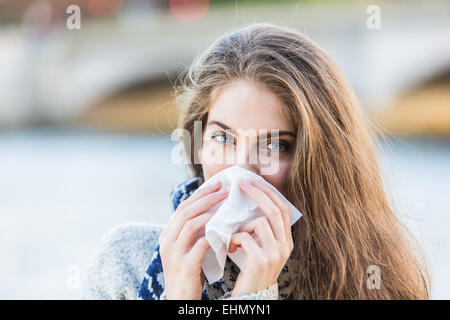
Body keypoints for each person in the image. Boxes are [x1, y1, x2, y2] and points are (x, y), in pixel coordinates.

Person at [82, 22, 430, 300]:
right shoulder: (125, 262)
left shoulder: (368, 281)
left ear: (322, 162)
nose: (241, 169)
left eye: (275, 145)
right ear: (198, 143)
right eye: (223, 138)